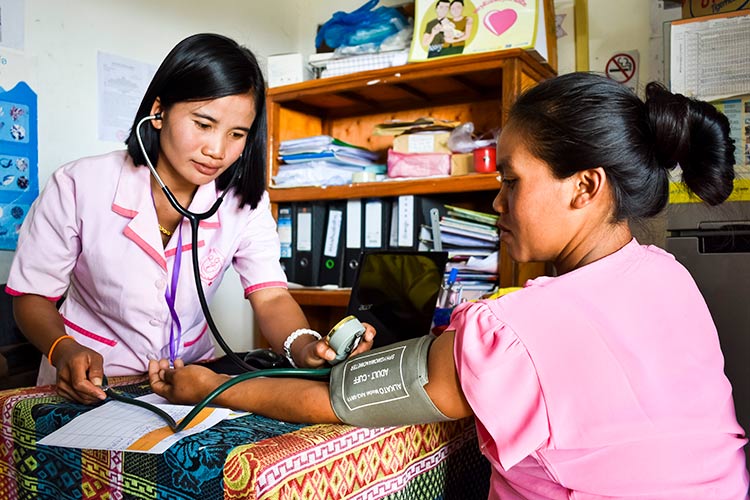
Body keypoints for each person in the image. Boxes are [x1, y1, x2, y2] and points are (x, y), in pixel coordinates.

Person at [149, 72, 749, 498]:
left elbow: (334, 400)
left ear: (585, 187)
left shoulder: (510, 330)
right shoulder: (670, 276)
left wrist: (210, 387)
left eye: (512, 181)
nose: (496, 201)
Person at [5, 33, 375, 405]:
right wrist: (62, 348)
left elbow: (272, 298)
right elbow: (32, 296)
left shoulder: (244, 202)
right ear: (159, 111)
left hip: (192, 381)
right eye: (203, 124)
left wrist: (305, 346)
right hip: (93, 380)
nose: (217, 150)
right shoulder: (78, 184)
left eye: (237, 134)